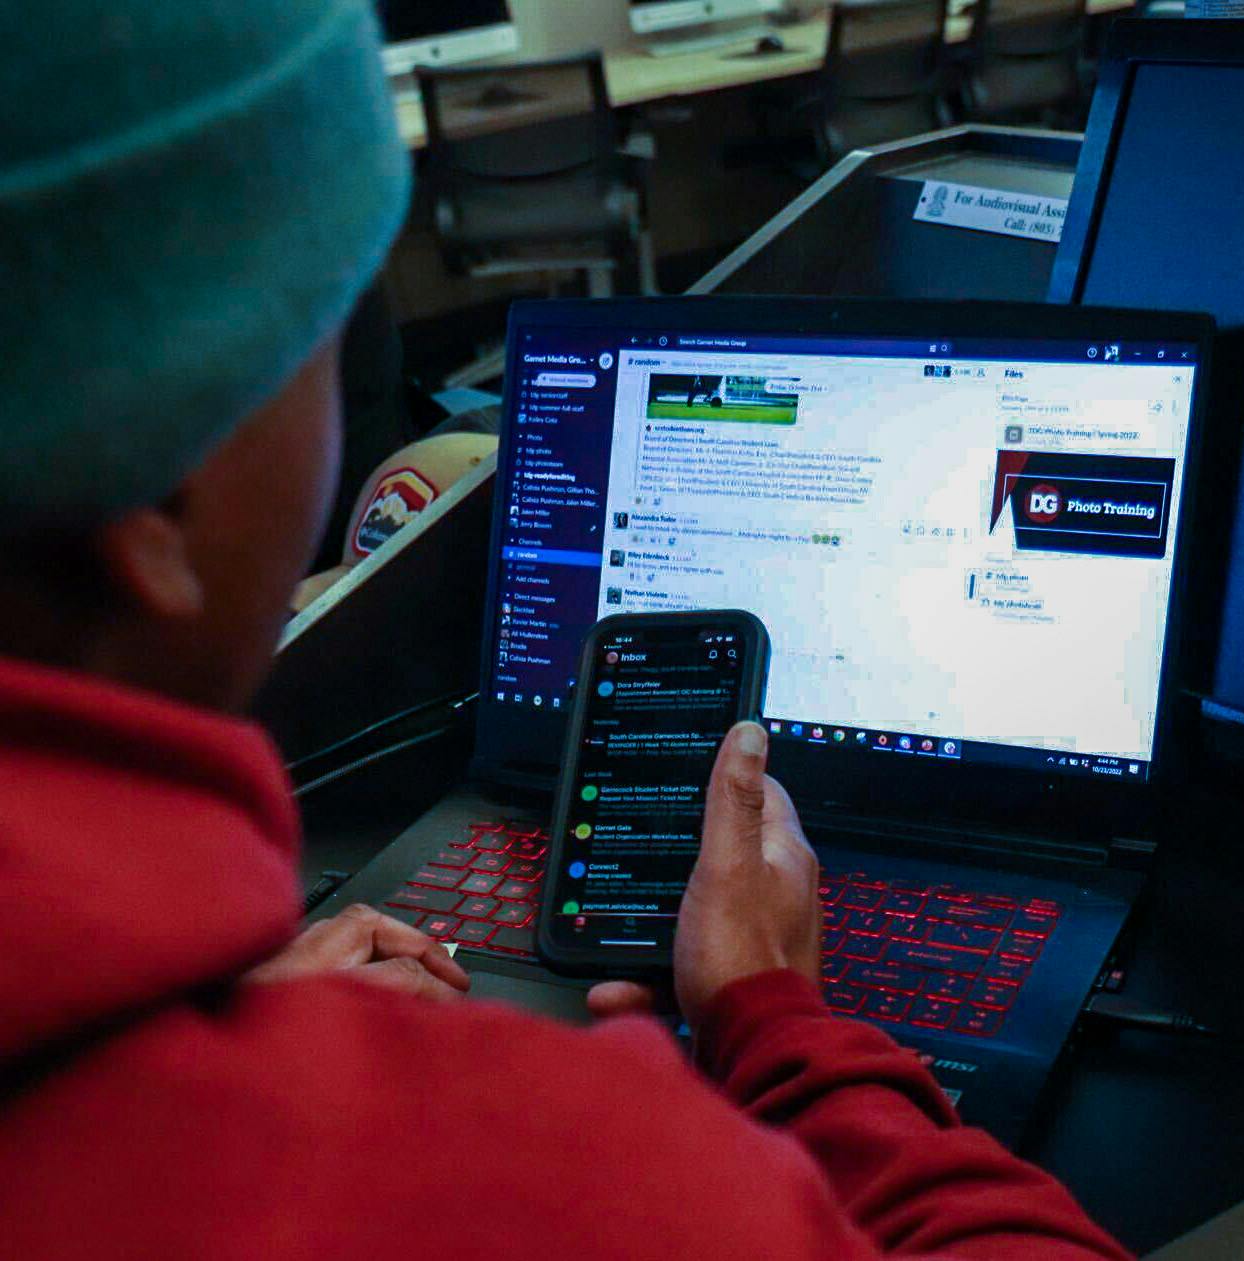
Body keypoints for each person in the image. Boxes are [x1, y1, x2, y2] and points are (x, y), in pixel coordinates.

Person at [0, 2, 1130, 1257]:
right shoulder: (575, 1175)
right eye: (316, 336)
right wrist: (776, 1018)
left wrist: (207, 1036)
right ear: (149, 496)